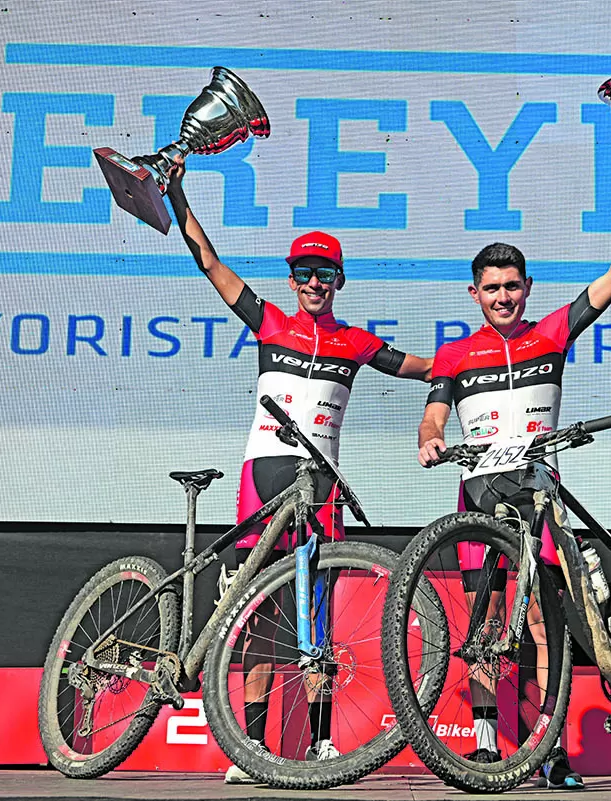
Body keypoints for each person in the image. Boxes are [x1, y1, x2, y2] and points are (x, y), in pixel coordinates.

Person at [165, 158, 432, 784]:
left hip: (322, 487)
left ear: (338, 281)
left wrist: (469, 363)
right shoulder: (269, 321)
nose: (315, 282)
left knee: (318, 623)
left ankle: (316, 746)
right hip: (263, 476)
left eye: (325, 274)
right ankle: (253, 750)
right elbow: (208, 261)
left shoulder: (356, 341)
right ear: (292, 280)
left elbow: (421, 367)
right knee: (256, 618)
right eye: (305, 273)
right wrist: (177, 196)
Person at [417, 229, 611, 787]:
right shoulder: (454, 353)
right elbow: (434, 413)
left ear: (528, 289)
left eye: (512, 287)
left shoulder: (551, 334)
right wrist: (429, 438)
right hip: (479, 496)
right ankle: (484, 742)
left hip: (540, 495)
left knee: (547, 629)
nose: (503, 297)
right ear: (474, 293)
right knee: (484, 626)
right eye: (492, 288)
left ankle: (551, 750)